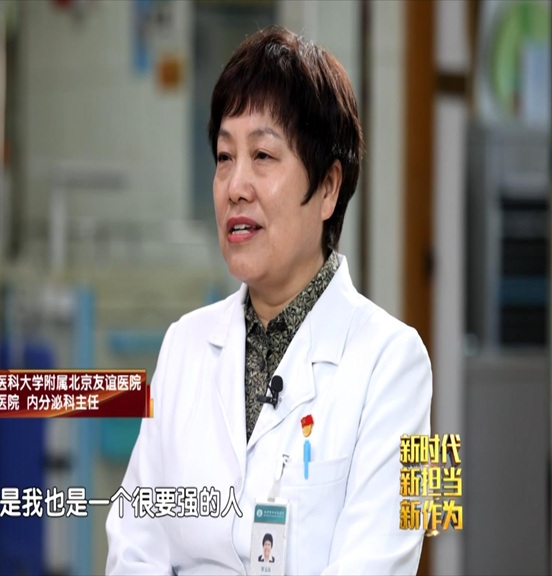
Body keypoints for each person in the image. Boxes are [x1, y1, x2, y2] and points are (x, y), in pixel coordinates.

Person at [106, 25, 432, 575]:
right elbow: (133, 546)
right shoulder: (183, 345)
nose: (236, 185)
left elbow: (379, 562)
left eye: (262, 155)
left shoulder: (399, 362)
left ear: (328, 188)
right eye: (224, 156)